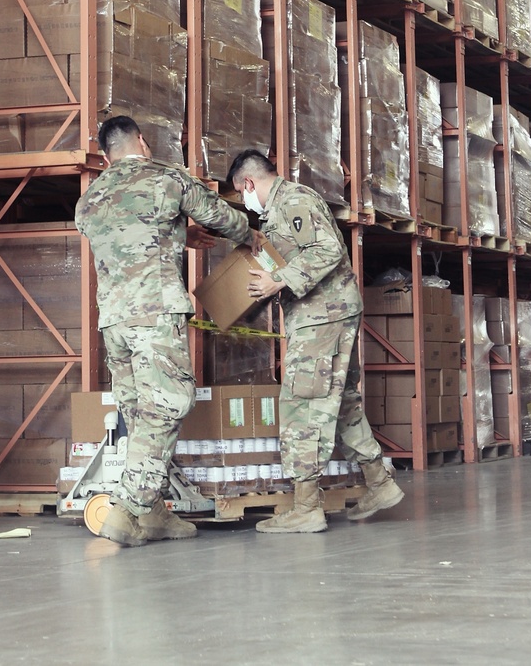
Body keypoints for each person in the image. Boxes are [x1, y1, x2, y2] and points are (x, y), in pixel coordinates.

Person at [76, 115, 254, 548]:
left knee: (138, 413)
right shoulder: (165, 177)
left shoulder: (91, 198)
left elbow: (128, 236)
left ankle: (153, 513)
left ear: (105, 155)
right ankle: (126, 508)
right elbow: (220, 216)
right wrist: (254, 236)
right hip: (154, 313)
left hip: (114, 320)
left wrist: (177, 235)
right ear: (142, 141)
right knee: (169, 403)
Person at [228, 148, 404, 534]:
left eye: (242, 194)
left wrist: (281, 279)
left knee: (301, 404)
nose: (245, 202)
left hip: (322, 315)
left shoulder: (294, 200)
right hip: (323, 313)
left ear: (249, 183)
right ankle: (379, 483)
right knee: (339, 402)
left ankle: (306, 506)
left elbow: (328, 248)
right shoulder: (278, 212)